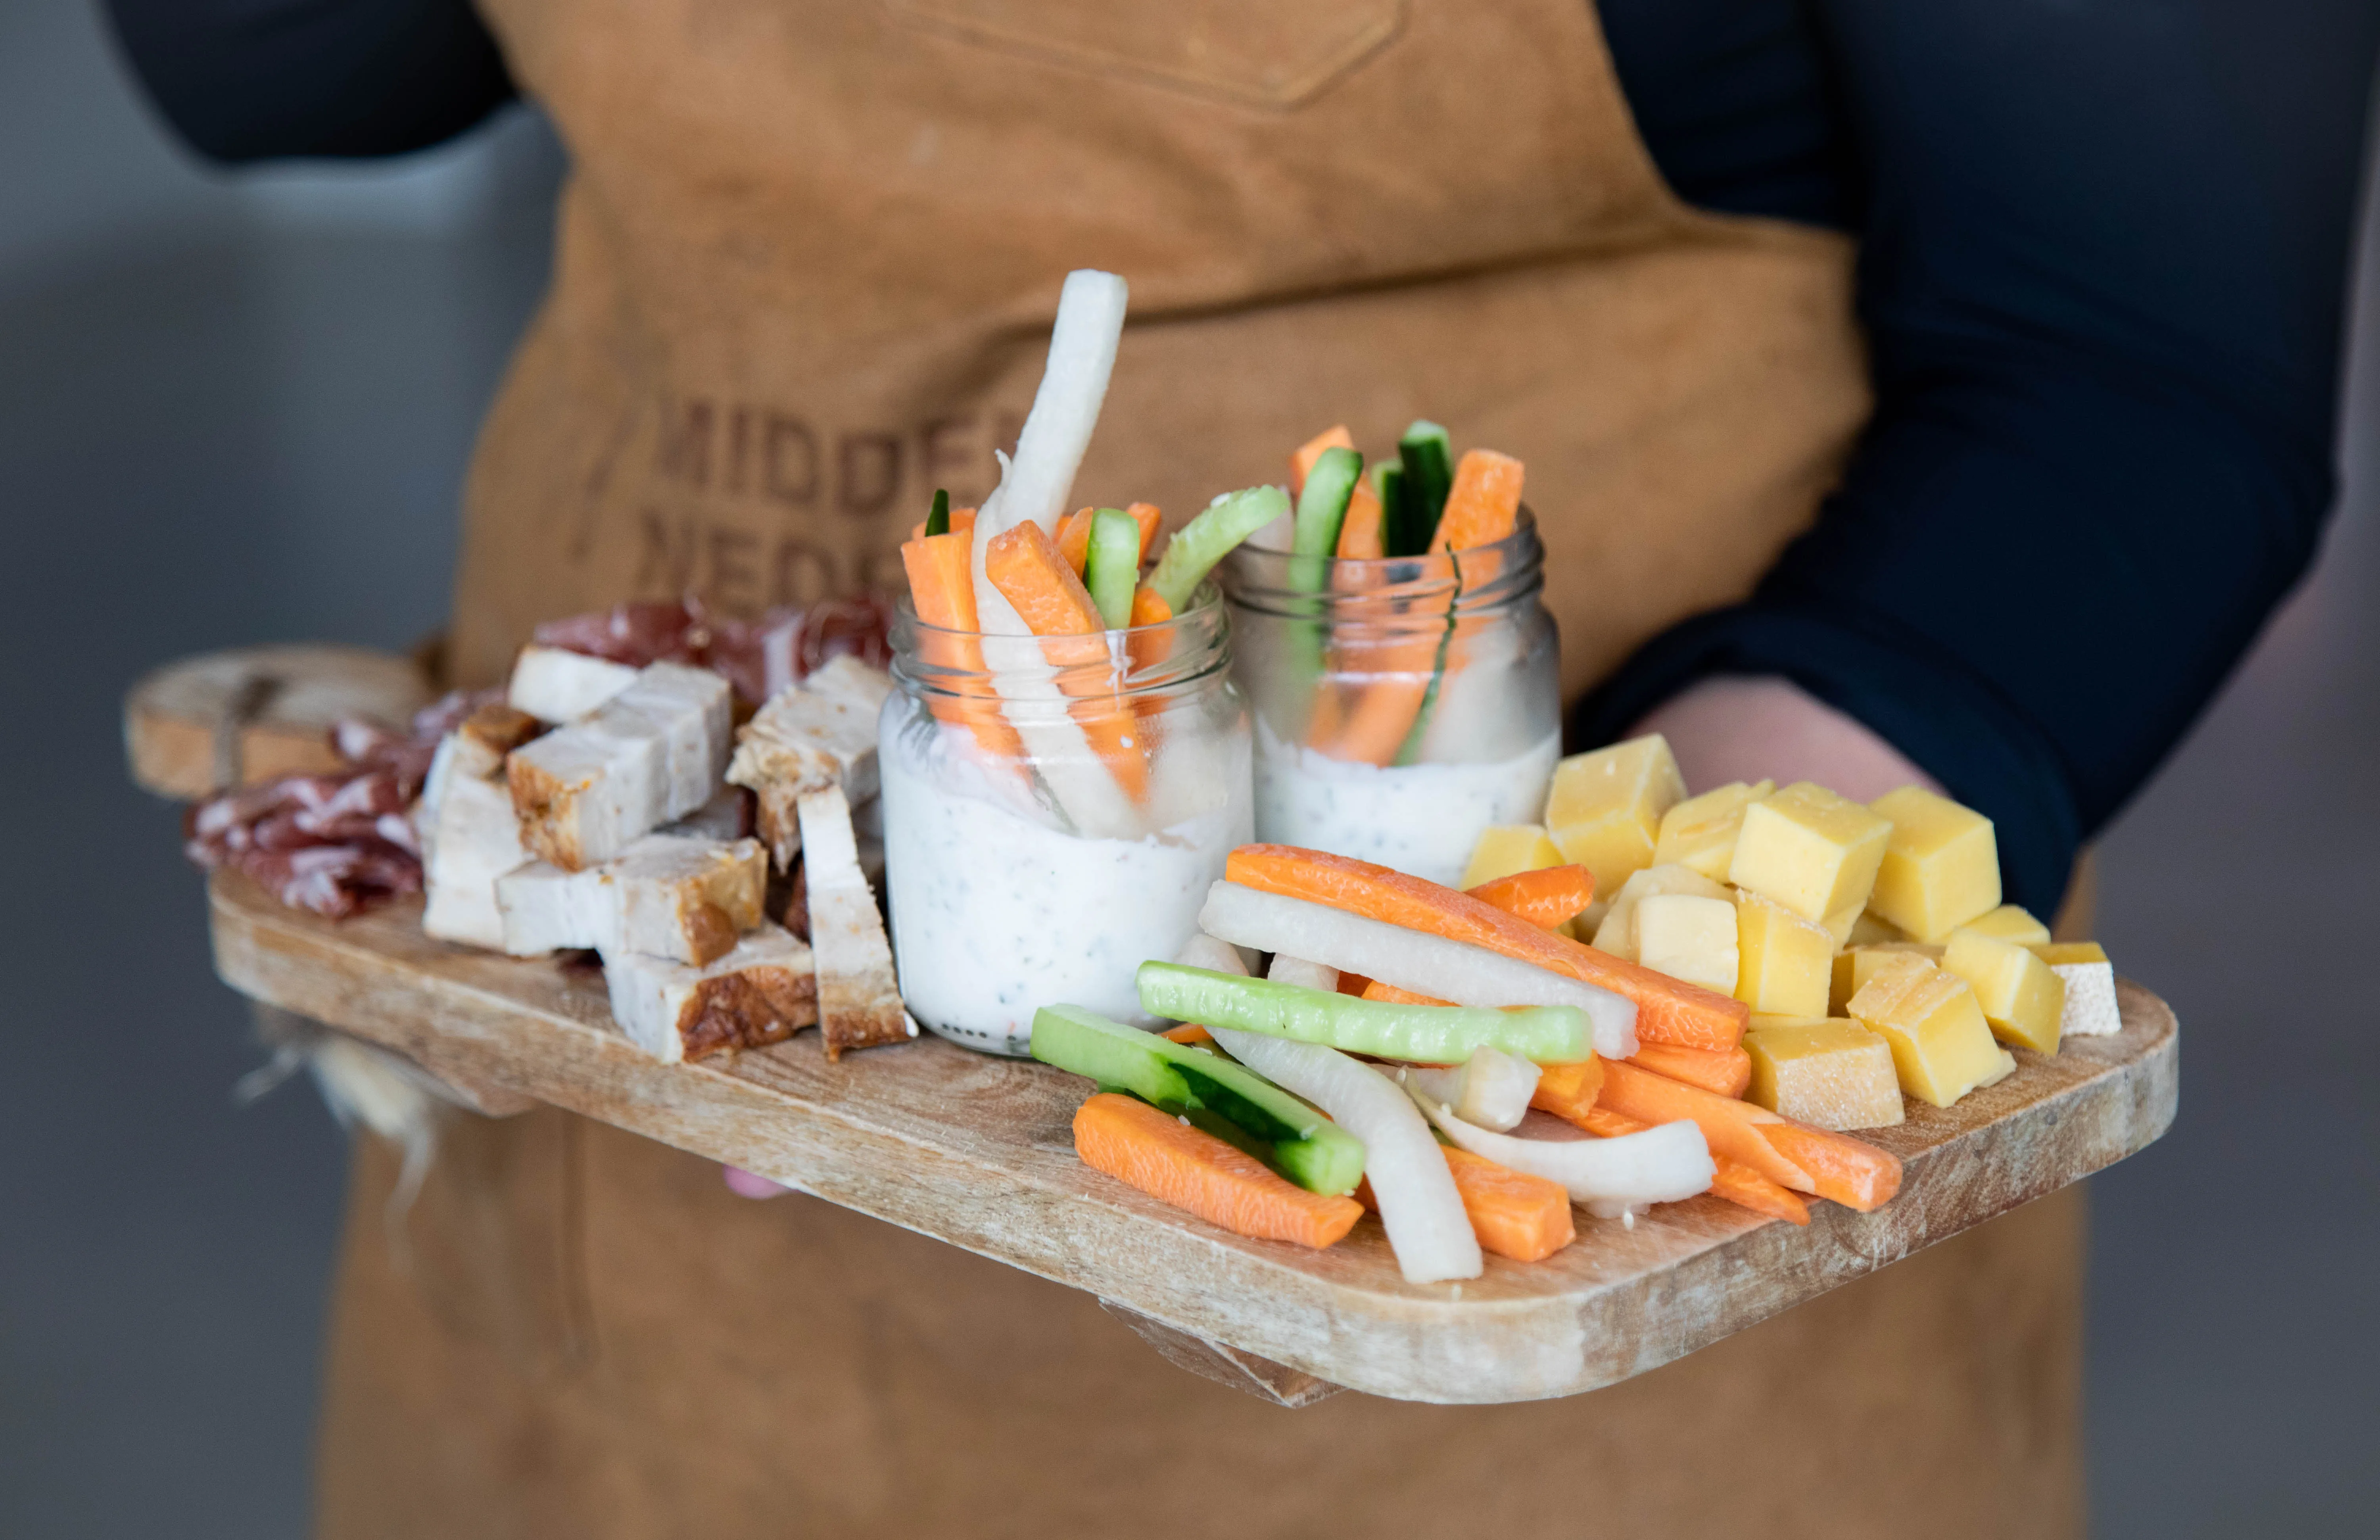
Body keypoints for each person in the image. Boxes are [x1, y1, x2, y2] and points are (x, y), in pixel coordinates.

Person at [108, 1, 2379, 1535]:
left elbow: (2132, 375)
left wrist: (1489, 1020)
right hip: (611, 1179)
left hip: (1521, 1301)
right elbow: (289, 69)